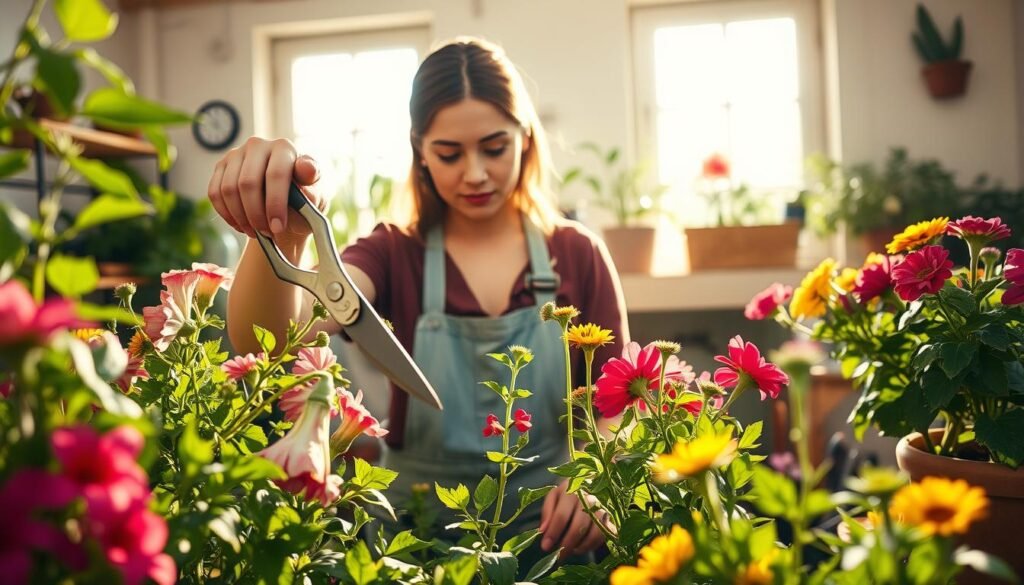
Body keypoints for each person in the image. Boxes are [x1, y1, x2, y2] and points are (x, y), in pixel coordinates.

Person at [207, 37, 630, 562]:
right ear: (420, 150)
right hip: (416, 542)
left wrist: (594, 475)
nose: (474, 173)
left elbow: (619, 403)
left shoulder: (577, 252)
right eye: (449, 153)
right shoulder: (391, 251)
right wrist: (280, 234)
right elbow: (269, 344)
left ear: (526, 137)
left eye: (494, 148)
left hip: (554, 543)